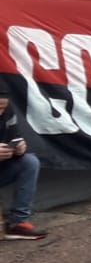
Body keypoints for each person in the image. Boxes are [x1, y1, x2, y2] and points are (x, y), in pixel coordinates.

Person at [0, 87, 47, 240]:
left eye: (2, 107)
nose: (0, 112)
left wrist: (19, 147)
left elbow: (14, 136)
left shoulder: (7, 112)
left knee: (29, 162)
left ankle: (18, 223)